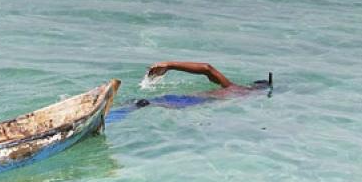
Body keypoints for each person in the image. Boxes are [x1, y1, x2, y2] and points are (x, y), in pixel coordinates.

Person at [105, 61, 272, 123]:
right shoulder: (236, 91)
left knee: (139, 103)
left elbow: (207, 69)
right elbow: (207, 68)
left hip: (181, 99)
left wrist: (170, 65)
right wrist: (169, 66)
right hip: (185, 103)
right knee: (143, 104)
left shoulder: (232, 88)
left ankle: (106, 113)